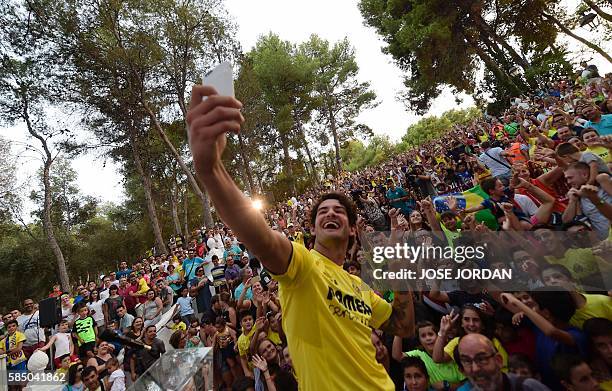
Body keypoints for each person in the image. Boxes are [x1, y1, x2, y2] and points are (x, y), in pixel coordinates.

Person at [187, 84, 415, 390]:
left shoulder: (359, 288)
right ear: (313, 228)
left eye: (339, 211)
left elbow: (402, 325)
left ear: (351, 228)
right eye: (322, 211)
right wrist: (212, 170)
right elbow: (263, 239)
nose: (330, 213)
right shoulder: (304, 267)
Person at [455, 334, 550, 390]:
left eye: (482, 359)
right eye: (467, 361)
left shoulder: (528, 387)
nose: (475, 368)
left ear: (498, 361)